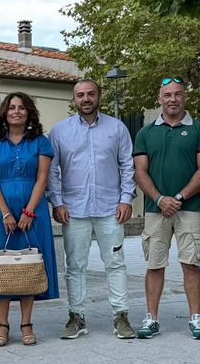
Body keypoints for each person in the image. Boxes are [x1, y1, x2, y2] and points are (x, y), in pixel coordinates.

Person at [48, 79, 136, 340]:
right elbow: (52, 170)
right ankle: (76, 316)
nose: (85, 99)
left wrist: (126, 198)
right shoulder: (60, 131)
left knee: (116, 263)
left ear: (99, 96)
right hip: (73, 209)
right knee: (74, 266)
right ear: (73, 99)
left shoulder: (117, 128)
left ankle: (121, 316)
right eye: (80, 95)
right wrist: (58, 202)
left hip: (111, 208)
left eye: (90, 94)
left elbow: (127, 165)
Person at [0, 92, 59, 346]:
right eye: (12, 108)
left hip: (34, 210)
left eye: (22, 108)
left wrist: (30, 211)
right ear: (4, 113)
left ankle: (26, 324)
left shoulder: (41, 142)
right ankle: (2, 325)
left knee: (28, 265)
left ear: (29, 112)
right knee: (2, 266)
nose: (17, 112)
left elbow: (42, 178)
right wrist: (6, 213)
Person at [133, 77, 200, 340]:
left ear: (185, 97)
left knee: (191, 263)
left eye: (178, 94)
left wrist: (178, 197)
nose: (172, 99)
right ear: (159, 99)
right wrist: (159, 199)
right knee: (154, 264)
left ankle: (195, 317)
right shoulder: (146, 133)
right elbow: (139, 172)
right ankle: (152, 318)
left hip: (189, 208)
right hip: (155, 209)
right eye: (167, 95)